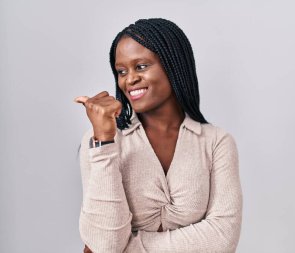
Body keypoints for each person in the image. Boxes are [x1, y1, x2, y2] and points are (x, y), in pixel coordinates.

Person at [74, 18, 243, 253]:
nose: (129, 79)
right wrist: (104, 141)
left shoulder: (216, 142)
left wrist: (131, 247)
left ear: (174, 65)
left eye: (141, 66)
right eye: (121, 71)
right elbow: (106, 244)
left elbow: (223, 238)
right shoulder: (101, 140)